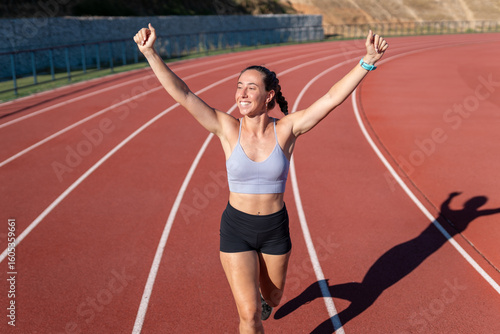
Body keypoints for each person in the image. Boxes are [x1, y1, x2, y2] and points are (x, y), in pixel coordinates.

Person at [134, 23, 388, 334]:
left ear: (268, 96)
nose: (241, 93)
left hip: (274, 230)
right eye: (239, 86)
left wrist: (366, 61)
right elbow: (183, 94)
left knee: (274, 297)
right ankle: (254, 308)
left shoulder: (287, 129)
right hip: (236, 229)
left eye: (251, 87)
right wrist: (150, 54)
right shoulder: (226, 127)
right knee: (249, 316)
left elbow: (331, 98)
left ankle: (269, 298)